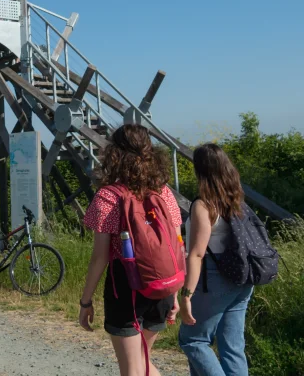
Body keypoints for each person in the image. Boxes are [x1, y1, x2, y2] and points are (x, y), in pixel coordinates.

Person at [79, 124, 182, 376]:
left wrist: (85, 301)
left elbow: (100, 257)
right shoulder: (165, 193)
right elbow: (176, 244)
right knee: (142, 364)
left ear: (114, 154)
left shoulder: (108, 196)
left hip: (126, 288)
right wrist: (175, 293)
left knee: (133, 370)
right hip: (162, 288)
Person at [178, 144, 252, 376]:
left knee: (193, 340)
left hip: (215, 276)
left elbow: (197, 254)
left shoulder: (204, 205)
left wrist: (187, 295)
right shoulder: (237, 200)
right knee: (232, 347)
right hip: (242, 275)